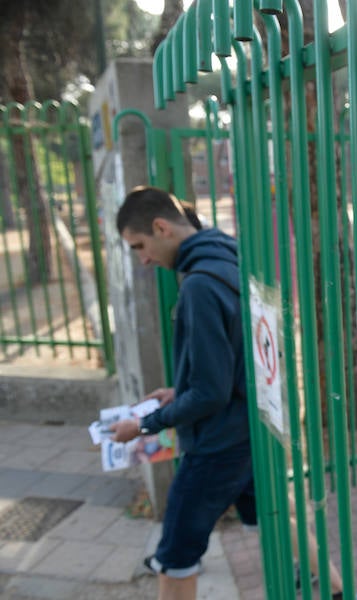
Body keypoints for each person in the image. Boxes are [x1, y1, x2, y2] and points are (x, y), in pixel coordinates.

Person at [110, 186, 255, 600]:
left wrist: (143, 425)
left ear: (161, 227)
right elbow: (229, 360)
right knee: (272, 521)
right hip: (248, 433)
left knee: (174, 557)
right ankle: (336, 589)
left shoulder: (198, 286)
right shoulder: (229, 253)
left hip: (216, 443)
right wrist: (181, 388)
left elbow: (211, 393)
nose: (143, 259)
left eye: (141, 245)